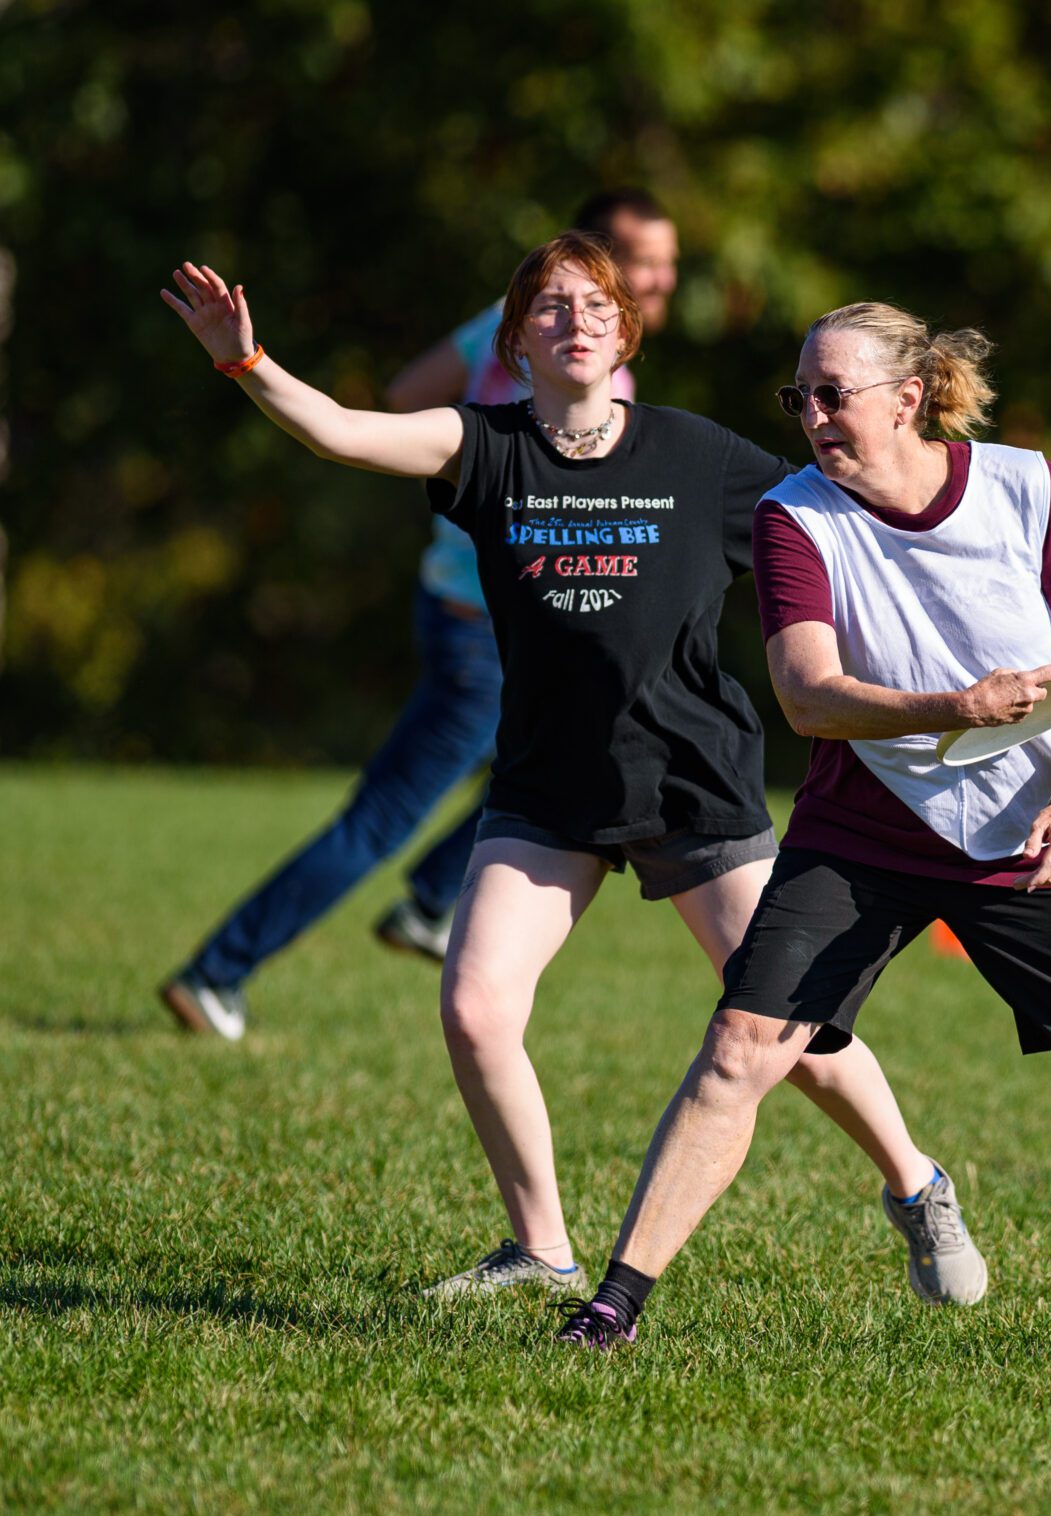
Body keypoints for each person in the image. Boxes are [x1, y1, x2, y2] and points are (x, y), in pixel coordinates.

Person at [158, 236, 988, 1305]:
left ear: (625, 332)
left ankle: (916, 1184)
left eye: (596, 305)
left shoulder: (699, 456)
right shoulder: (484, 445)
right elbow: (342, 433)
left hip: (693, 781)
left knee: (802, 1036)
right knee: (473, 1005)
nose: (577, 320)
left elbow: (854, 526)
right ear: (515, 341)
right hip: (551, 784)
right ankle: (542, 1248)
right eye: (550, 307)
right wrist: (246, 361)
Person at [549, 303, 1051, 1366]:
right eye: (798, 396)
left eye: (832, 394)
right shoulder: (796, 516)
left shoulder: (1026, 488)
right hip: (862, 834)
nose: (811, 416)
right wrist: (955, 707)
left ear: (908, 398)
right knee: (741, 1049)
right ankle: (613, 1306)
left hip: (1033, 837)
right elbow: (809, 697)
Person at [157, 190, 677, 1038]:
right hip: (488, 630)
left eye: (666, 262)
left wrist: (459, 476)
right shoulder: (588, 370)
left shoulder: (506, 324)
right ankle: (219, 969)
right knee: (385, 817)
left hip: (452, 600)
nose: (658, 277)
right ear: (595, 256)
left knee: (583, 755)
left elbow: (406, 392)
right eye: (641, 259)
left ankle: (434, 901)